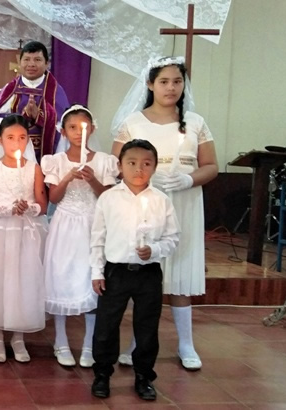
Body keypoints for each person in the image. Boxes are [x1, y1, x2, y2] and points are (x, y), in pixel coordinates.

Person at [111, 57, 218, 371]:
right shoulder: (133, 122)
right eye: (164, 82)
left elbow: (211, 166)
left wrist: (188, 179)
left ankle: (186, 343)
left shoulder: (195, 122)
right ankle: (137, 341)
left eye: (177, 82)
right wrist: (143, 179)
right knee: (145, 276)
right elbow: (117, 166)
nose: (171, 88)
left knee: (181, 271)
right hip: (147, 204)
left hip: (184, 203)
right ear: (150, 84)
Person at [89, 139, 179, 401]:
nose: (139, 169)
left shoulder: (161, 201)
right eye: (132, 163)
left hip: (148, 273)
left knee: (147, 327)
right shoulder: (108, 198)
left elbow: (173, 238)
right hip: (115, 272)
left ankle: (143, 376)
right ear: (120, 166)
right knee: (106, 326)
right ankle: (102, 374)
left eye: (146, 163)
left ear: (155, 167)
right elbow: (98, 238)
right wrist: (97, 272)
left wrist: (155, 250)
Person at [41, 104, 118, 368]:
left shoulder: (104, 161)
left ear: (92, 129)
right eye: (72, 127)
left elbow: (108, 197)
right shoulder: (56, 161)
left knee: (92, 279)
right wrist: (66, 178)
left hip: (93, 225)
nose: (77, 132)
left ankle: (89, 343)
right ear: (63, 132)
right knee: (61, 278)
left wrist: (93, 179)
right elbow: (53, 198)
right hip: (65, 225)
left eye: (82, 127)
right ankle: (61, 340)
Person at [0, 114, 47, 363]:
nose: (17, 143)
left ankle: (18, 337)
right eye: (11, 138)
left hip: (24, 234)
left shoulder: (34, 169)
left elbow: (42, 204)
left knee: (21, 282)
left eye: (22, 138)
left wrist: (29, 208)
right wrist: (7, 209)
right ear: (0, 140)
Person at [0, 40, 69, 161]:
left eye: (37, 60)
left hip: (45, 154)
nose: (31, 64)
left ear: (47, 64)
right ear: (20, 62)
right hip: (13, 149)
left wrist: (39, 116)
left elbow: (64, 125)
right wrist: (20, 117)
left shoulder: (55, 91)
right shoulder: (10, 89)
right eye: (26, 59)